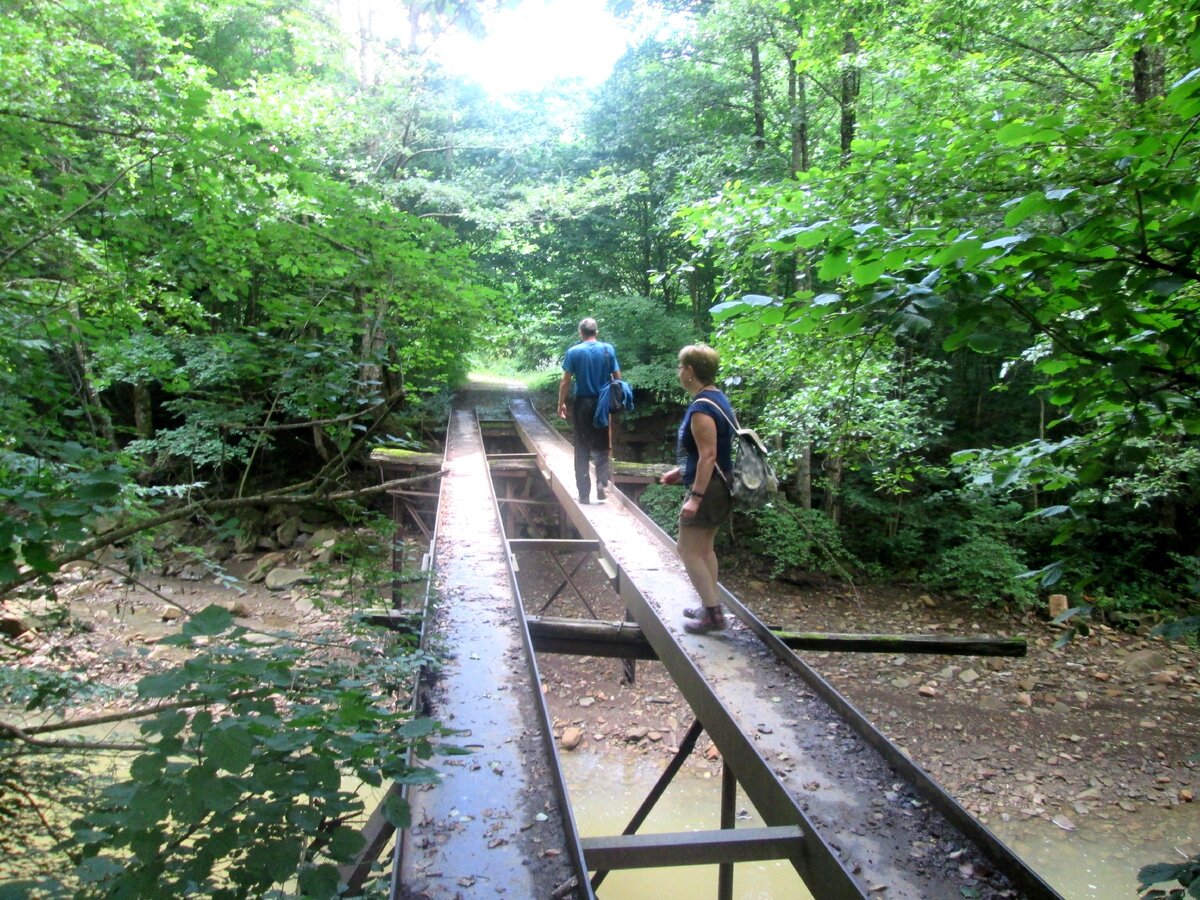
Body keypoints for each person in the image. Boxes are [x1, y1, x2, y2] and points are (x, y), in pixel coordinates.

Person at [658, 344, 735, 634]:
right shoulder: (717, 398)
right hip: (722, 484)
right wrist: (681, 472)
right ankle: (710, 604)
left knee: (687, 549)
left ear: (690, 371)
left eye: (680, 367)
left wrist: (695, 497)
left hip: (710, 490)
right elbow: (713, 452)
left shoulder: (702, 407)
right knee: (704, 549)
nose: (679, 372)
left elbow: (709, 455)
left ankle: (713, 616)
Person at [558, 317, 621, 504]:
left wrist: (561, 403)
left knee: (582, 448)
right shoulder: (608, 350)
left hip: (582, 404)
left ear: (581, 333)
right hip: (602, 404)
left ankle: (584, 494)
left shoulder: (574, 352)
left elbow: (565, 381)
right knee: (602, 445)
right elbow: (617, 377)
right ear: (596, 332)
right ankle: (602, 483)